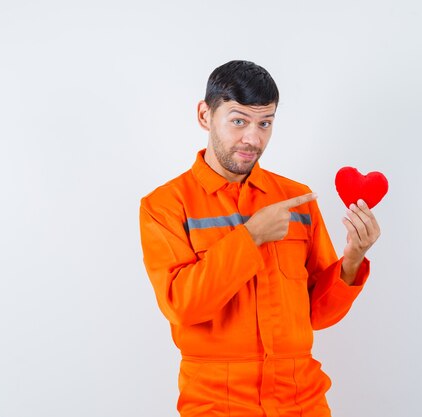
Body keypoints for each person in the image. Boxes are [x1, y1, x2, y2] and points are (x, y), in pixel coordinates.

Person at [139, 60, 381, 417]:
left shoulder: (296, 200)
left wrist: (352, 260)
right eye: (239, 121)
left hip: (302, 400)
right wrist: (250, 237)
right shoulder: (165, 206)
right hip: (218, 404)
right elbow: (182, 305)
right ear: (205, 115)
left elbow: (317, 314)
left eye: (265, 123)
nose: (253, 138)